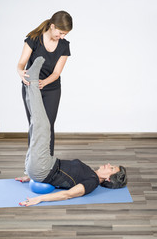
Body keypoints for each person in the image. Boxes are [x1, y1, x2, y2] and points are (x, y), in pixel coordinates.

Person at [16, 57, 127, 207]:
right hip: (42, 166)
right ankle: (30, 83)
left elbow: (67, 194)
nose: (108, 164)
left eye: (112, 168)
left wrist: (39, 199)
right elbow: (61, 180)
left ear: (109, 179)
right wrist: (30, 177)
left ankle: (32, 80)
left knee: (42, 126)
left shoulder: (91, 182)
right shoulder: (90, 172)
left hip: (42, 168)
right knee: (36, 125)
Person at [17, 10, 72, 156]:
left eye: (65, 34)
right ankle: (31, 167)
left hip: (51, 89)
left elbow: (56, 73)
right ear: (52, 26)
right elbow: (21, 64)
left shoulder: (64, 46)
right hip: (31, 87)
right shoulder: (34, 39)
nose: (62, 37)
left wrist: (44, 82)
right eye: (60, 33)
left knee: (47, 126)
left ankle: (48, 165)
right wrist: (21, 72)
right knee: (35, 126)